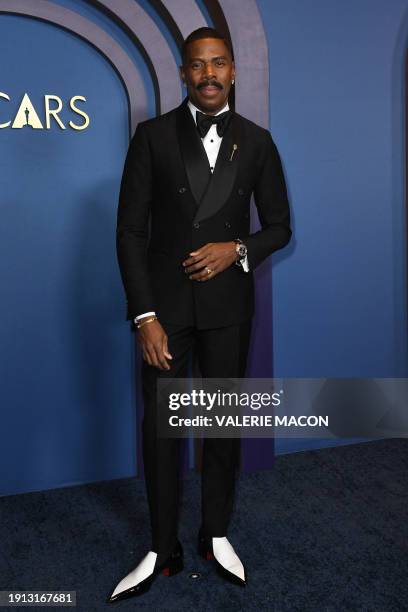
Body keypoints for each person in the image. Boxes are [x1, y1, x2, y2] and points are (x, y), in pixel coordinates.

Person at [107, 27, 291, 603]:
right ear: (184, 74)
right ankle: (163, 546)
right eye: (197, 66)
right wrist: (143, 316)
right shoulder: (153, 137)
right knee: (162, 431)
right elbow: (131, 230)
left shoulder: (258, 142)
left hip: (227, 309)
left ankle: (214, 534)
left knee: (223, 428)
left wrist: (236, 250)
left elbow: (281, 227)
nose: (208, 75)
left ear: (233, 71)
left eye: (218, 64)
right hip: (163, 311)